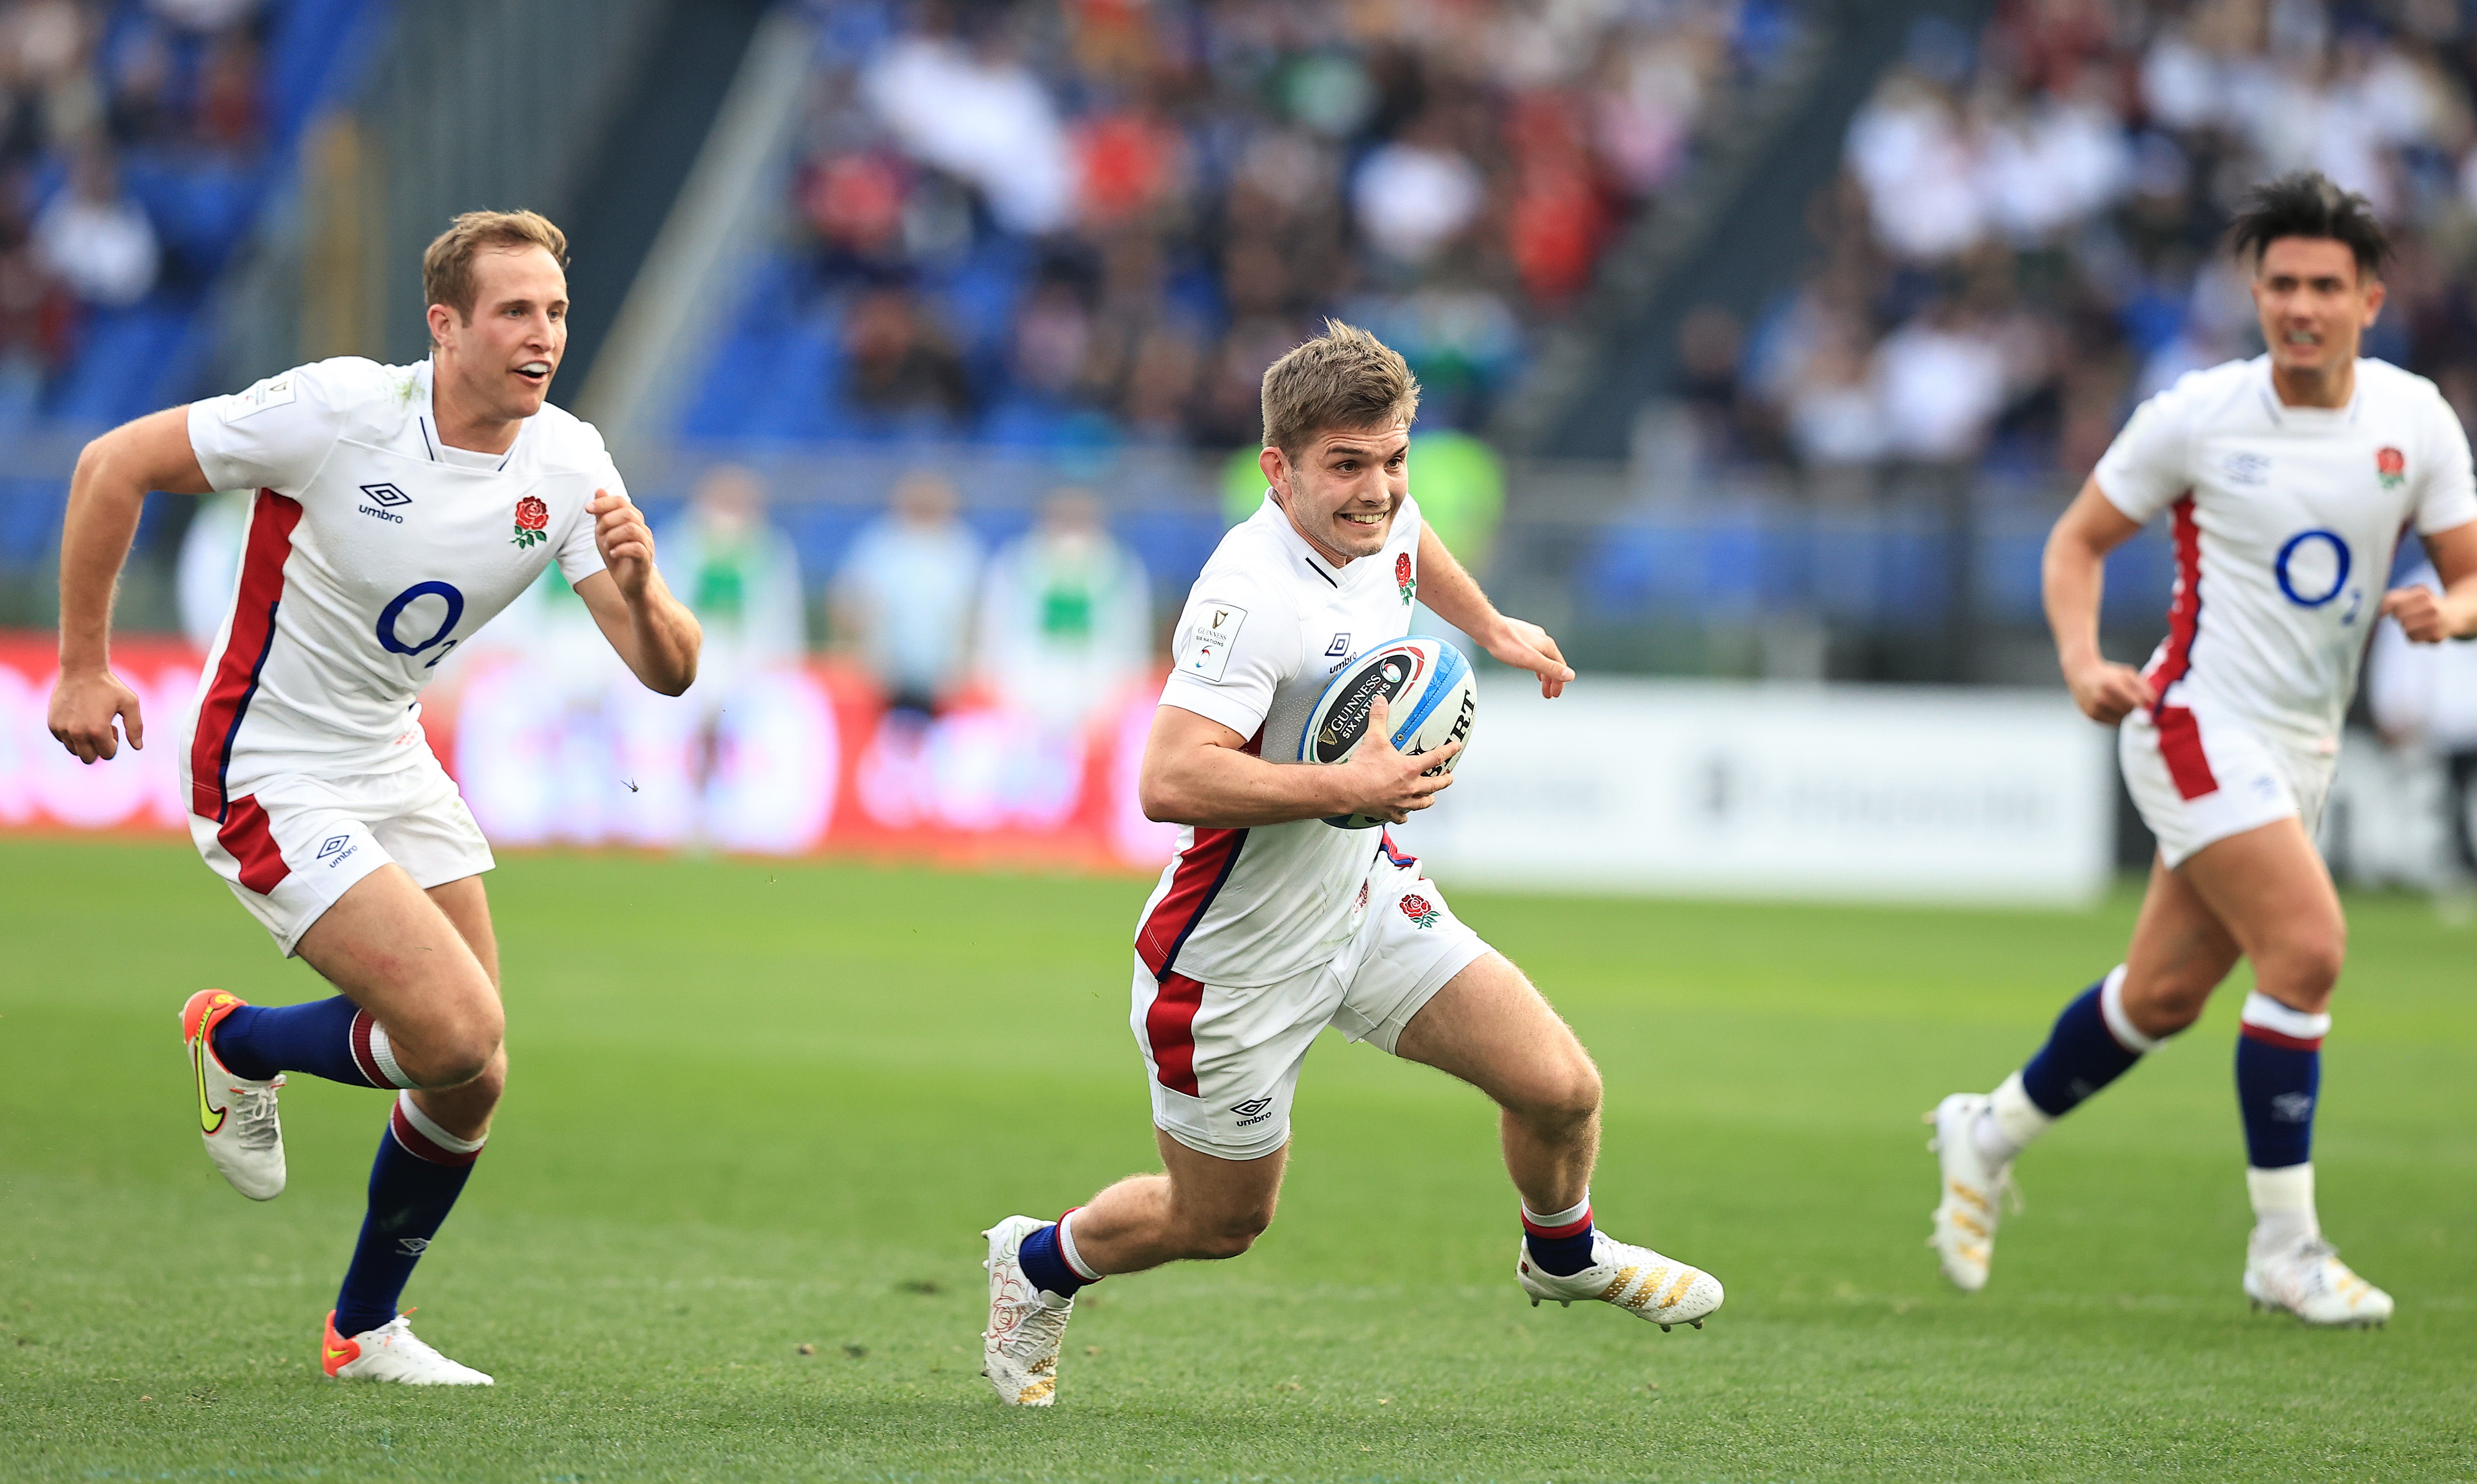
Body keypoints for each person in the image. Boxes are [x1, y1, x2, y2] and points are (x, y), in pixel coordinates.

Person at [977, 321, 1724, 1408]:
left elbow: (1414, 539)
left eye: (1393, 457)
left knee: (1560, 1088)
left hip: (1365, 896)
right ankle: (1036, 1262)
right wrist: (1343, 789)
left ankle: (1559, 1253)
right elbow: (1169, 779)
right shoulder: (1246, 601)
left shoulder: (1378, 512)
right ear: (1276, 469)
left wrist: (1496, 627)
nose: (1377, 490)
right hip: (1230, 963)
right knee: (1220, 1221)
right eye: (1346, 466)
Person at [45, 209, 700, 1384]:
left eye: (553, 310)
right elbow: (114, 464)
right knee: (454, 1030)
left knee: (474, 1071)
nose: (541, 333)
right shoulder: (341, 411)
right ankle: (235, 1037)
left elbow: (667, 670)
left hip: (388, 753)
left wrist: (646, 588)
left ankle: (363, 1329)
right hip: (266, 762)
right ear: (445, 326)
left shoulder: (568, 457)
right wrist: (85, 663)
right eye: (513, 310)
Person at [1924, 174, 2477, 1326]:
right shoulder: (2198, 413)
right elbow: (2076, 542)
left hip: (2302, 744)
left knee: (2165, 994)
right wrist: (2081, 661)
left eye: (2326, 285)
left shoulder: (2413, 418)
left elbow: (2468, 568)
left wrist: (2454, 610)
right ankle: (2285, 1246)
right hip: (2189, 720)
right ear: (2254, 292)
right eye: (2280, 283)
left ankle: (1985, 1131)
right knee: (2309, 946)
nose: (2301, 305)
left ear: (2369, 300)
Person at [973, 487, 1150, 732]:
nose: (1072, 526)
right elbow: (996, 623)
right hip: (1029, 677)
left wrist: (1127, 689)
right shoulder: (1017, 562)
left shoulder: (1119, 567)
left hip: (1095, 678)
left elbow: (1132, 633)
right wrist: (990, 675)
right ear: (1046, 519)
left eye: (1080, 518)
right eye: (1065, 517)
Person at [832, 469, 982, 716]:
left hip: (945, 682)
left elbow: (976, 612)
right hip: (884, 678)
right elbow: (846, 603)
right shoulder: (878, 543)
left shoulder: (963, 547)